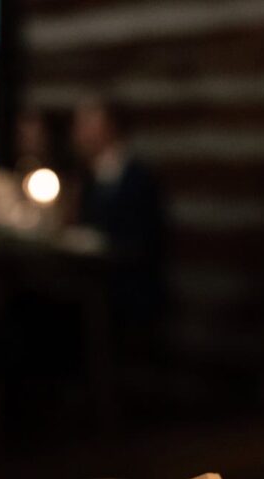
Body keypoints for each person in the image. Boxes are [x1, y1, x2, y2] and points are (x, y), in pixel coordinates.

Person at [72, 99, 166, 331]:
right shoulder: (88, 176)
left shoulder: (136, 179)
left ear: (110, 128)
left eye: (88, 124)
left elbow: (143, 242)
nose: (79, 133)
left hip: (127, 288)